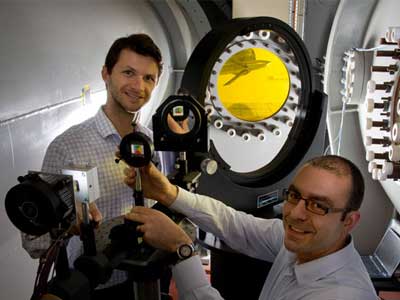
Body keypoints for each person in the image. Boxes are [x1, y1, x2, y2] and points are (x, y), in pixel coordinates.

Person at [21, 33, 172, 299]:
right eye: (128, 72)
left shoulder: (150, 141)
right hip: (97, 286)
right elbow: (34, 242)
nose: (139, 86)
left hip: (151, 276)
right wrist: (67, 225)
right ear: (106, 73)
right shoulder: (67, 147)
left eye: (149, 78)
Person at [124, 155, 379, 300]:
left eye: (318, 206)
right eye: (294, 195)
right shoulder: (304, 244)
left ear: (349, 221)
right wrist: (169, 194)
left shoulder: (340, 295)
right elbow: (234, 224)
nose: (296, 214)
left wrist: (181, 249)